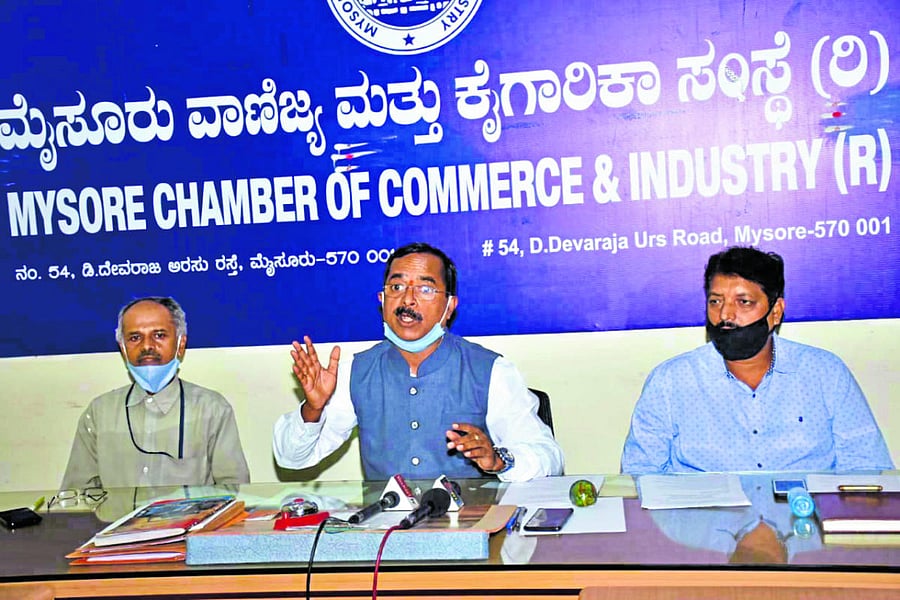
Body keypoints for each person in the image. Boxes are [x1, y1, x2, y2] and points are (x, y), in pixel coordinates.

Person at [273, 242, 564, 481]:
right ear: (382, 300)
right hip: (386, 533)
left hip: (473, 532)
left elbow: (549, 457)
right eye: (396, 287)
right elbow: (291, 458)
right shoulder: (354, 372)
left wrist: (497, 459)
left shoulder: (490, 371)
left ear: (449, 306)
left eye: (425, 289)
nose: (408, 300)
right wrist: (314, 408)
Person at [621, 246, 893, 474]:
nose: (725, 315)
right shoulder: (670, 381)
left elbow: (867, 468)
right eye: (715, 301)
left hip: (807, 530)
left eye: (744, 302)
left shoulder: (825, 374)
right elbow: (639, 476)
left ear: (775, 312)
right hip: (706, 533)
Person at [61, 296, 250, 489]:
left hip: (190, 520)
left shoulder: (212, 409)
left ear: (180, 345)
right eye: (135, 338)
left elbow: (234, 490)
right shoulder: (99, 412)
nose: (147, 346)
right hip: (114, 520)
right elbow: (76, 494)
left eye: (159, 335)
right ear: (123, 349)